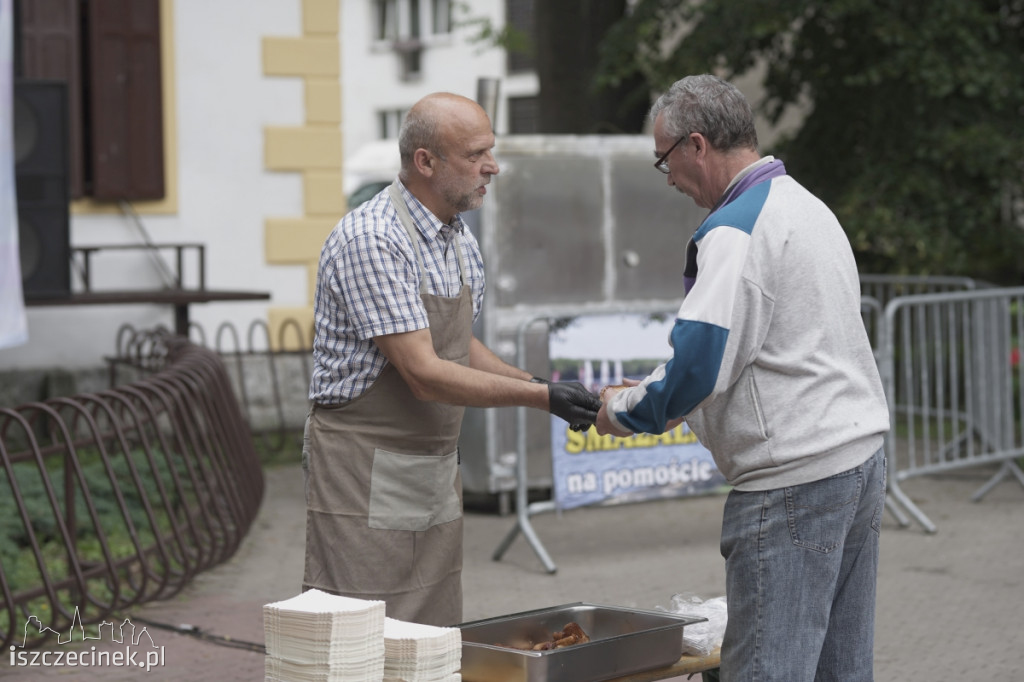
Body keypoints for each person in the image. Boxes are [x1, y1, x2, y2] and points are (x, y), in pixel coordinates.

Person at [596, 75, 890, 681]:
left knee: (768, 670)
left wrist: (623, 411)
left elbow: (702, 362)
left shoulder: (735, 228)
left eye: (665, 161)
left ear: (696, 145)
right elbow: (750, 345)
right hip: (856, 462)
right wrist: (651, 389)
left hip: (792, 482)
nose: (670, 179)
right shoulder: (805, 206)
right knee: (840, 667)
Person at [303, 92, 600, 627]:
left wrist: (541, 384)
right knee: (361, 633)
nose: (493, 166)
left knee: (432, 632)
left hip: (432, 469)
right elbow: (423, 372)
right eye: (476, 154)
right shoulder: (373, 239)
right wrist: (540, 397)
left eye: (492, 151)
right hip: (361, 470)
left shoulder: (457, 240)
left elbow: (458, 345)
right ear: (425, 162)